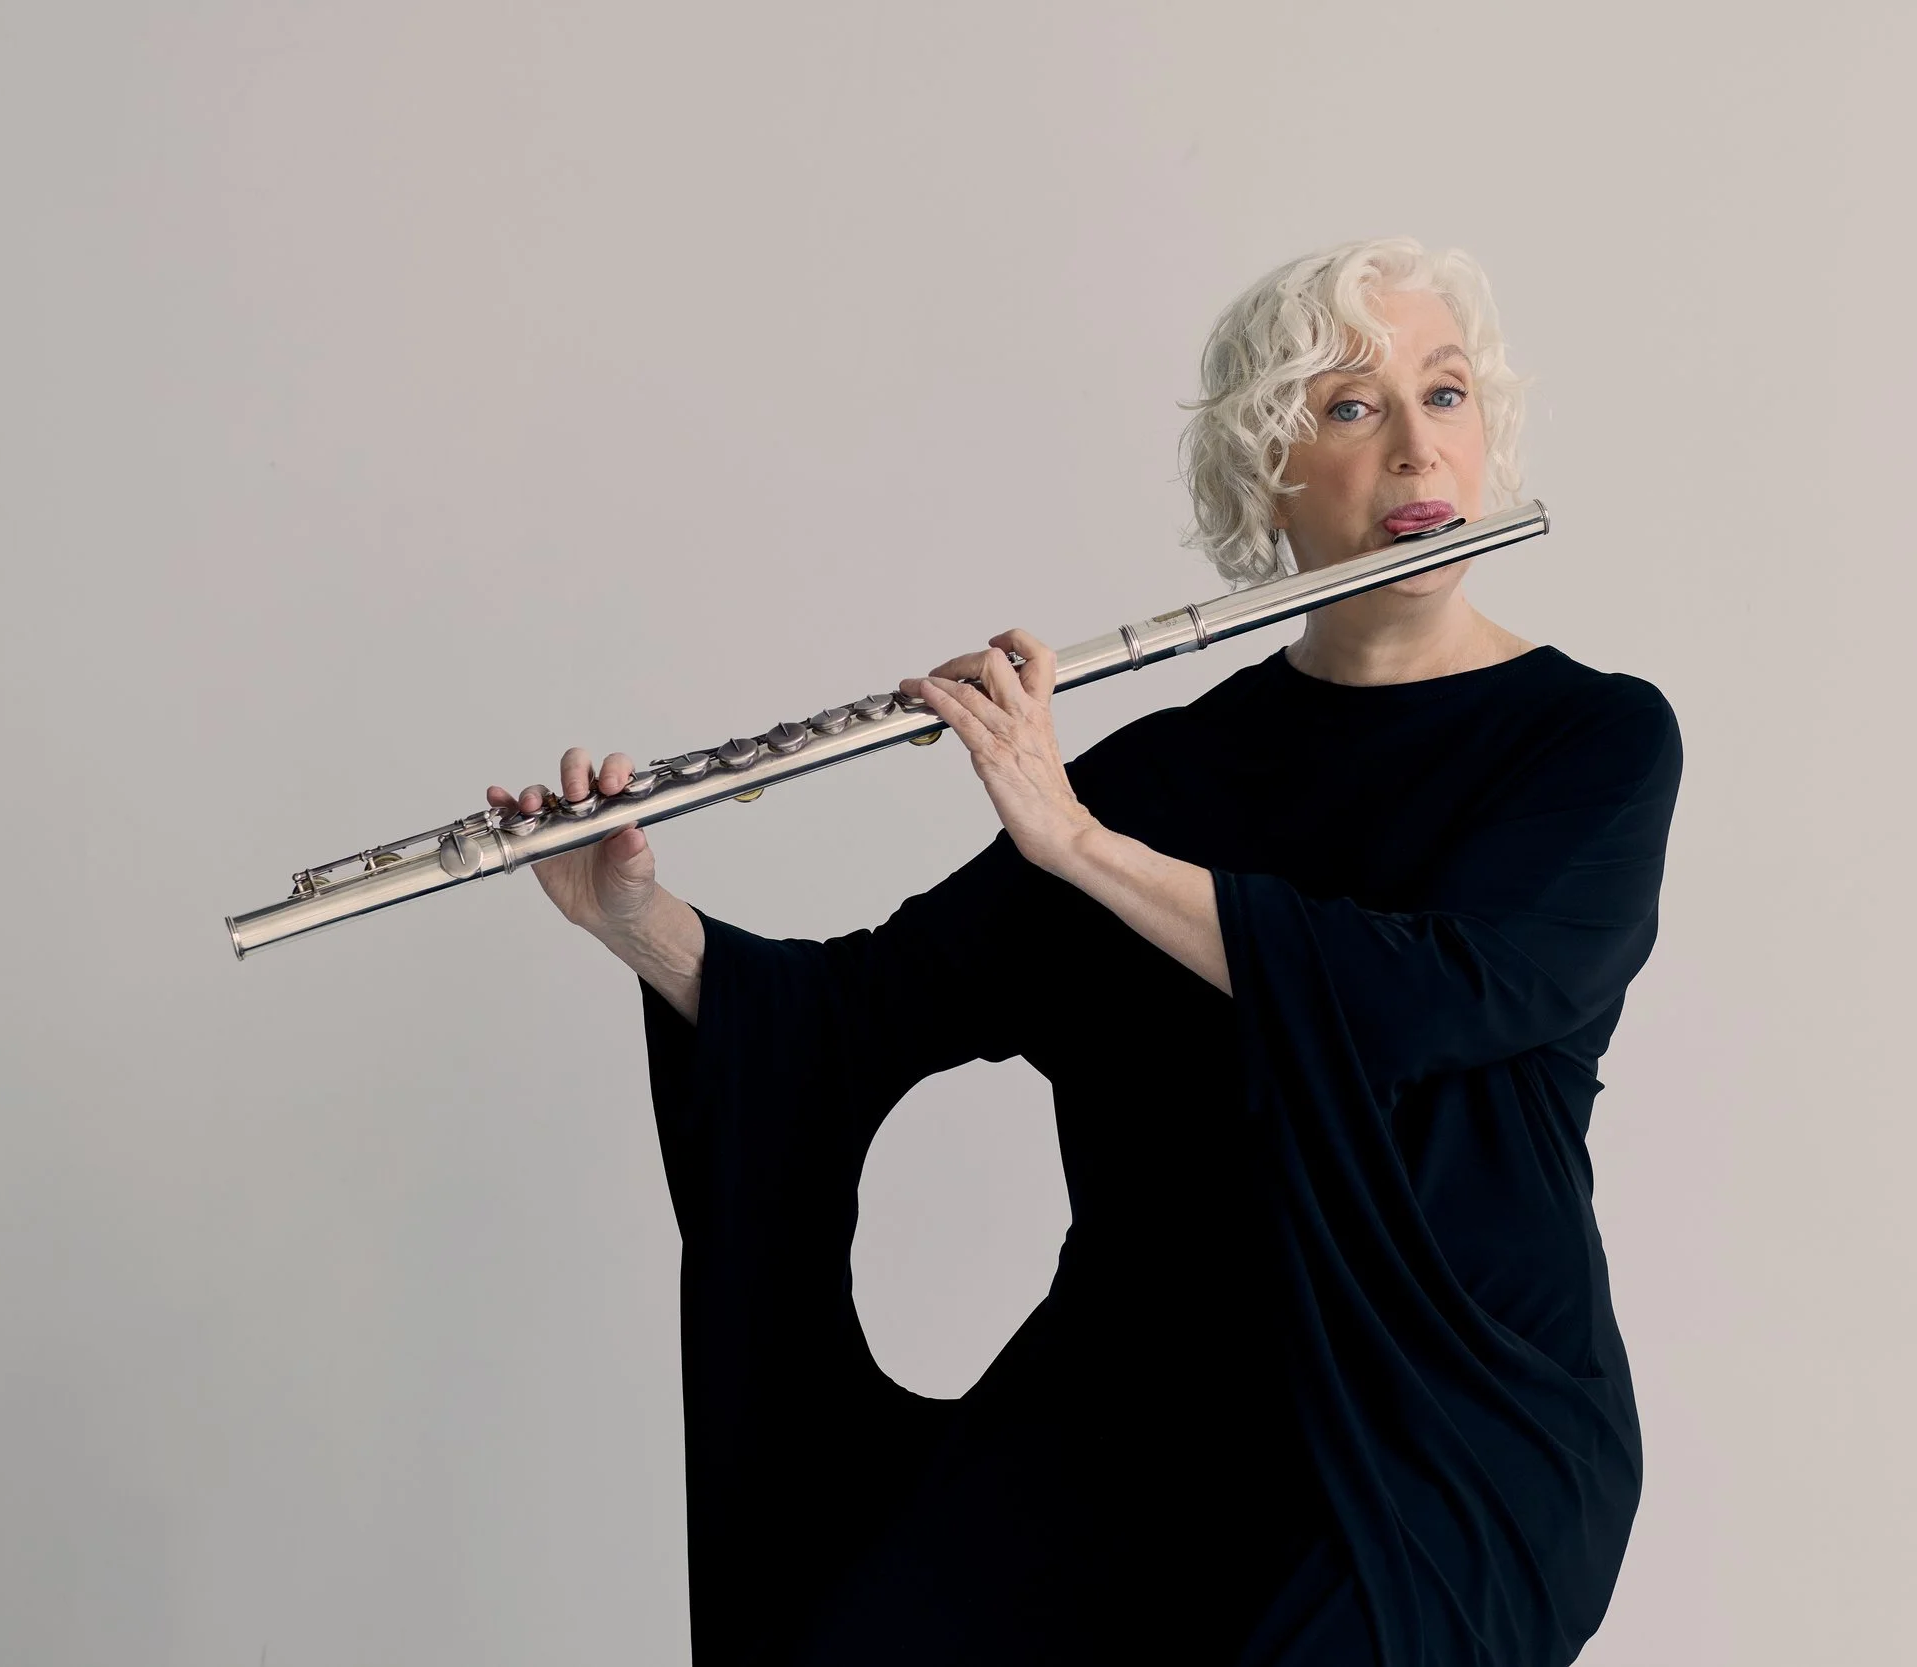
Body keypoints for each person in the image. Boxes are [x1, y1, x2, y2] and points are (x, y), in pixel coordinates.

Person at [490, 236, 1684, 1666]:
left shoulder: (1590, 741)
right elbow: (857, 1014)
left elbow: (1430, 994)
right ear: (1268, 472)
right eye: (1352, 408)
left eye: (1447, 394)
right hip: (1147, 1390)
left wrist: (1077, 844)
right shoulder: (1165, 773)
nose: (1419, 448)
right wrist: (636, 918)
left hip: (1441, 1416)